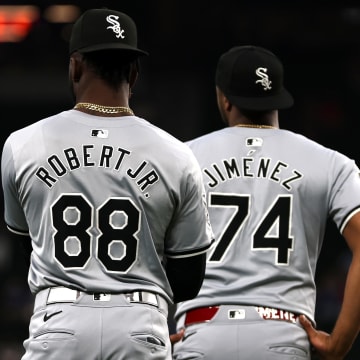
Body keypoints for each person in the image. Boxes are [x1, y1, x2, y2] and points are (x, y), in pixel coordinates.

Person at [1, 8, 214, 360]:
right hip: (139, 324)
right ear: (134, 71)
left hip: (58, 321)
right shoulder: (177, 154)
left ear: (75, 66)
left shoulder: (22, 144)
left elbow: (28, 246)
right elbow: (189, 279)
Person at [171, 45, 360, 359]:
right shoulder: (330, 162)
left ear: (224, 98)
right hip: (282, 332)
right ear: (277, 95)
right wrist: (339, 343)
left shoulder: (179, 157)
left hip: (202, 332)